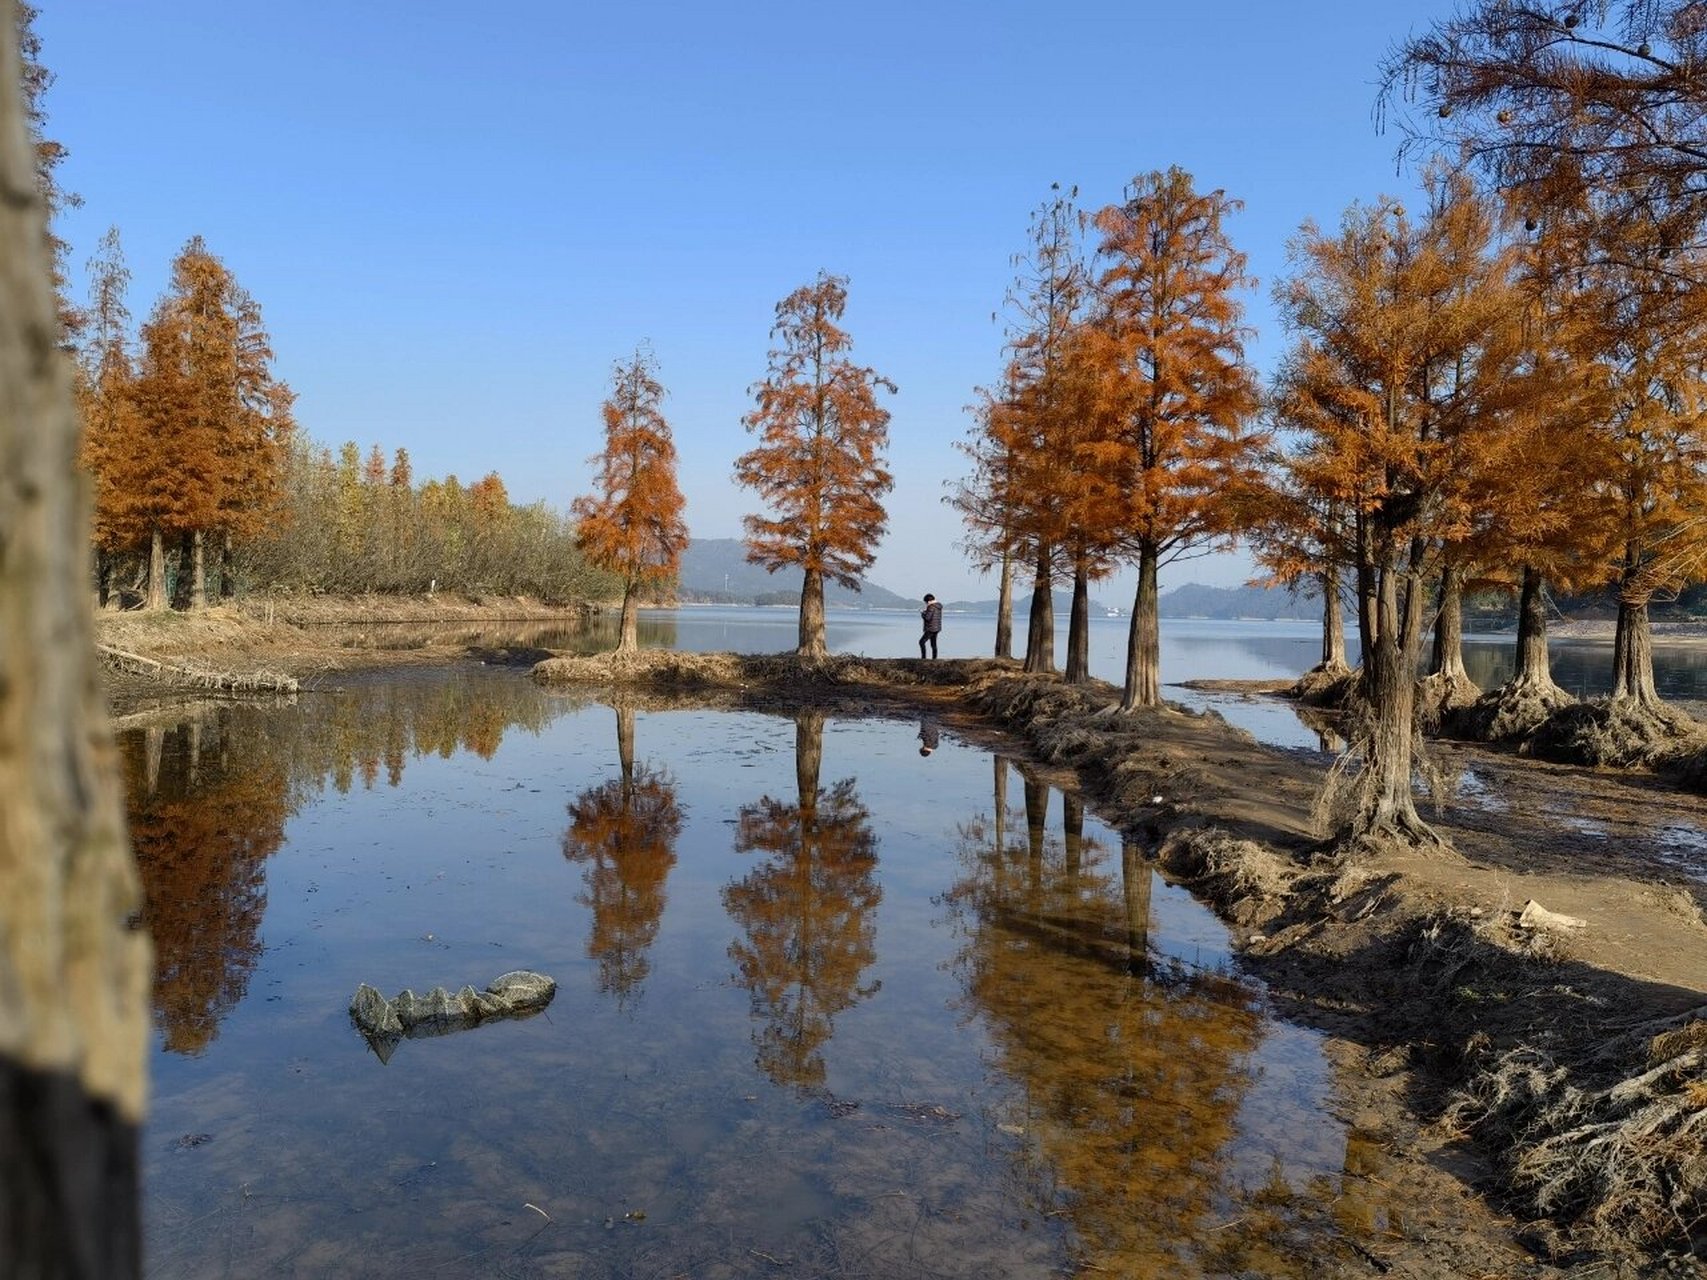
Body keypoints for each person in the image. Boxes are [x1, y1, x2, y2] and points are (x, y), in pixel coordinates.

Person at [919, 593, 942, 659]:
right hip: (937, 627)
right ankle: (934, 659)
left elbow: (927, 618)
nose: (926, 604)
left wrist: (923, 613)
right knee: (933, 644)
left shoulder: (931, 607)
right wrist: (926, 612)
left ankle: (923, 658)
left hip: (930, 628)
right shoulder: (938, 606)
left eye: (926, 602)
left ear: (928, 601)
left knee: (921, 642)